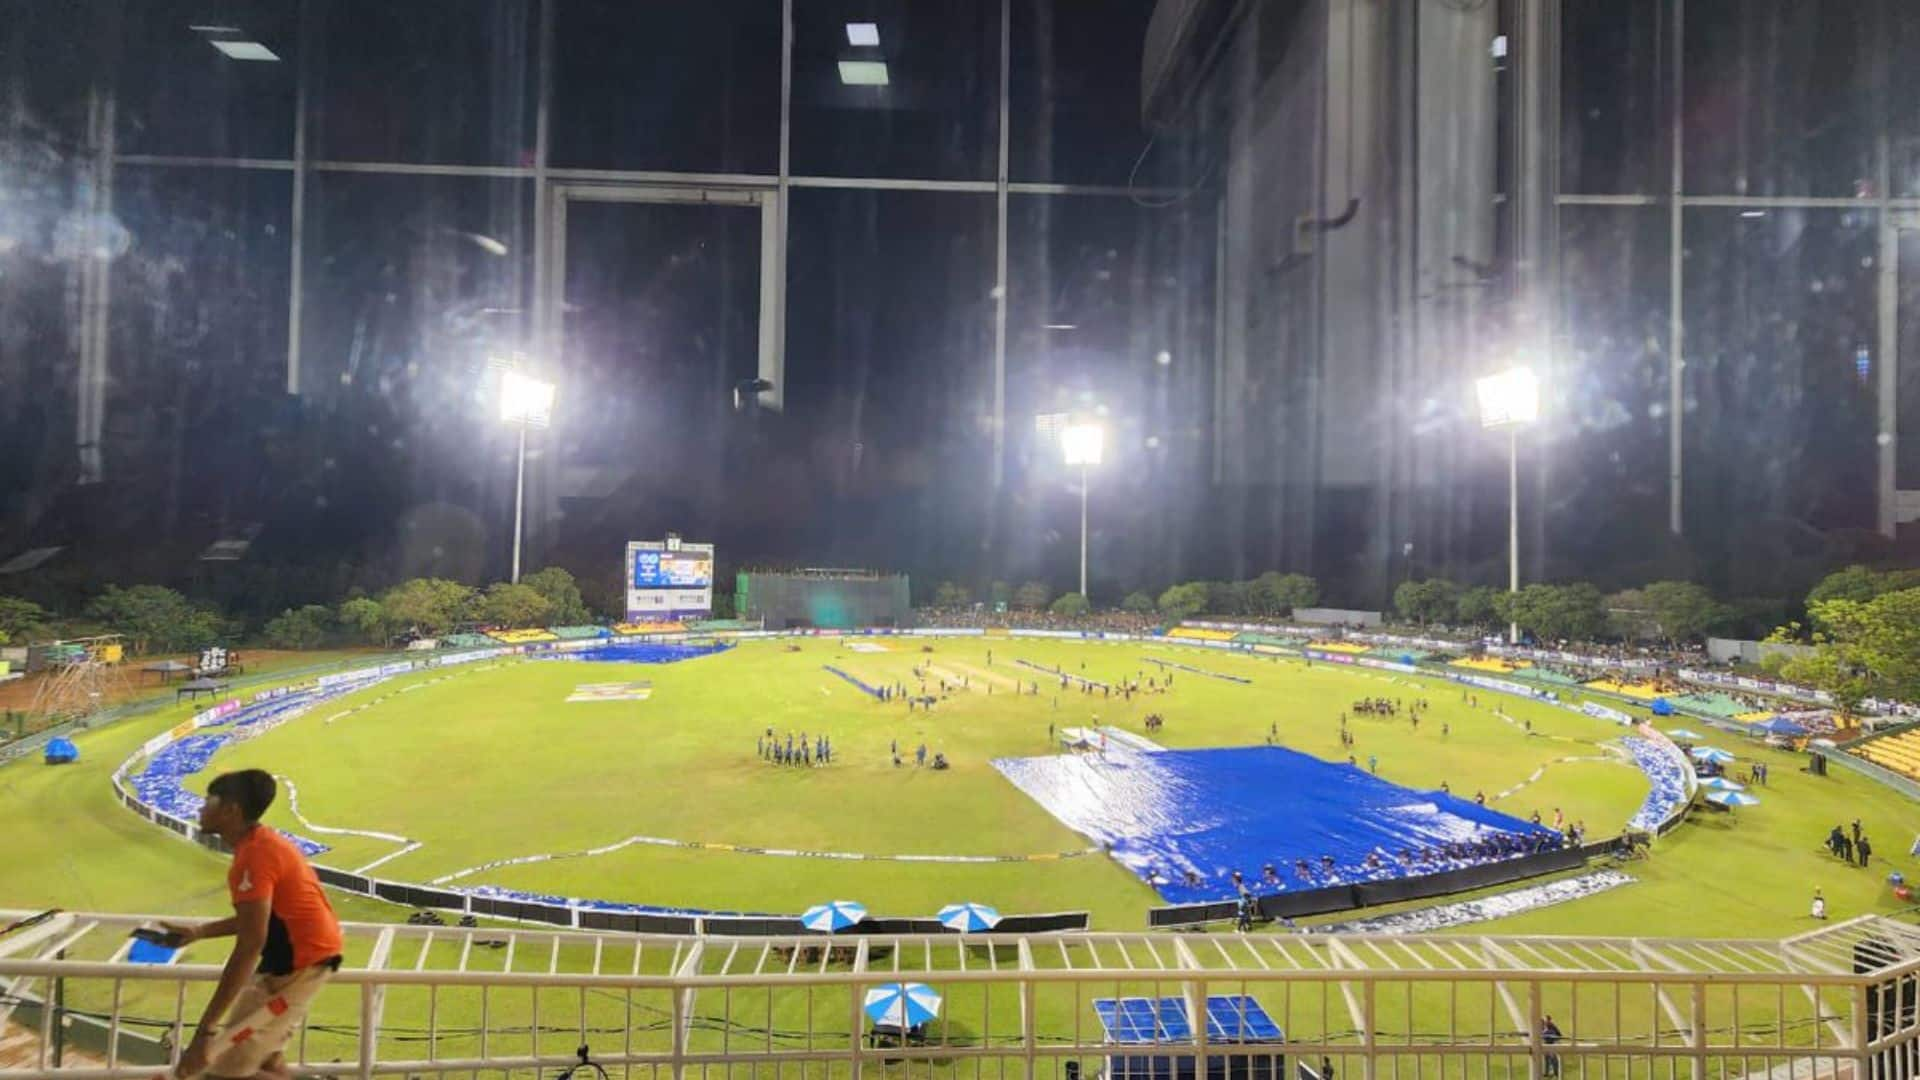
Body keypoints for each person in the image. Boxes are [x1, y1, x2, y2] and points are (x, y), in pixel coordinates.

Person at [159, 769, 343, 1080]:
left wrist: (205, 1032)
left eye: (208, 800)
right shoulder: (261, 845)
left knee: (224, 1071)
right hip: (297, 962)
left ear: (231, 810)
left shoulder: (255, 856)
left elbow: (250, 942)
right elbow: (260, 919)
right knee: (266, 1065)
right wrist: (199, 932)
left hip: (298, 968)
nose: (200, 807)